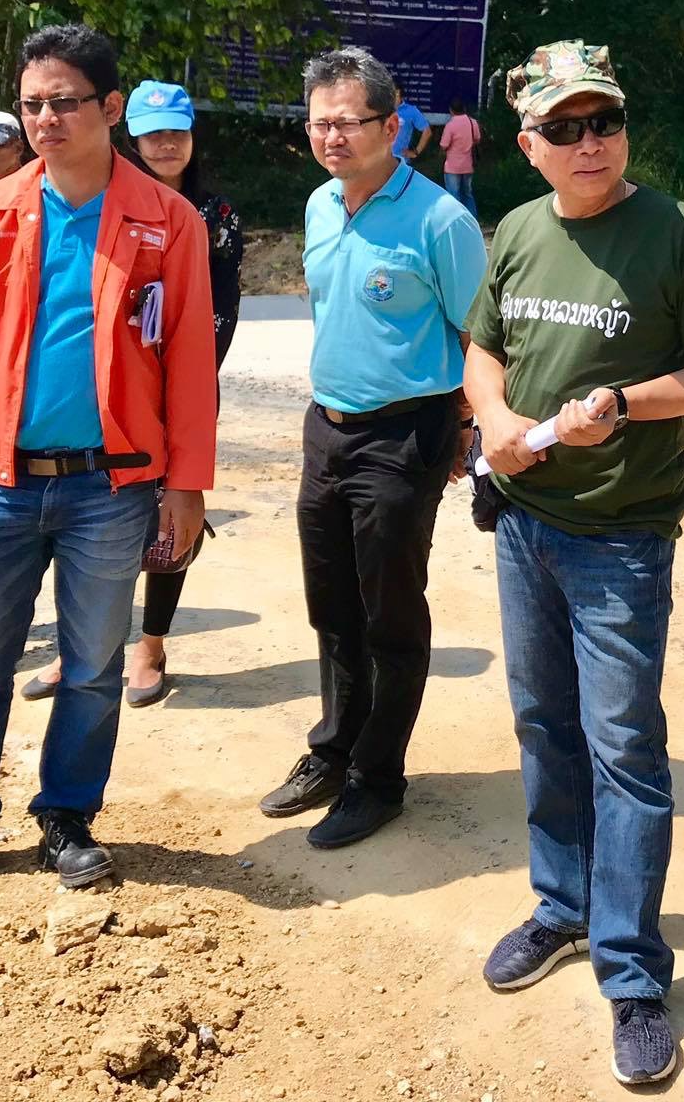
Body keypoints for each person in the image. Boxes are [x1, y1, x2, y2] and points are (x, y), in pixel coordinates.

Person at [464, 39, 684, 1089]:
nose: (590, 143)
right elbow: (483, 349)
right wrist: (495, 419)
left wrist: (626, 404)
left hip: (622, 538)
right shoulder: (516, 230)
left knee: (622, 748)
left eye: (605, 122)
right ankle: (561, 908)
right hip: (525, 522)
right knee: (541, 725)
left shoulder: (676, 232)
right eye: (565, 128)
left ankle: (631, 974)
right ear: (529, 145)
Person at [0, 24, 218, 903]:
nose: (45, 119)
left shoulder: (168, 220)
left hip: (109, 490)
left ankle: (67, 817)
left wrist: (186, 484)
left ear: (110, 109)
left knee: (92, 669)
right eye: (32, 103)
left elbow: (190, 362)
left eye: (64, 102)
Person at [257, 46, 485, 849]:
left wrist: (464, 427)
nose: (333, 136)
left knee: (389, 611)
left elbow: (480, 337)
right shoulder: (321, 205)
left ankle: (378, 778)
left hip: (404, 434)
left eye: (350, 121)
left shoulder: (440, 221)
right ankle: (335, 748)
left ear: (393, 128)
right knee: (332, 604)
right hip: (327, 428)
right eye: (320, 122)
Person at [23, 78, 245, 707]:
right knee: (89, 514)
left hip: (179, 389)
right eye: (153, 134)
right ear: (132, 136)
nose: (166, 144)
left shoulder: (216, 216)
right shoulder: (104, 200)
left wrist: (183, 385)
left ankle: (151, 643)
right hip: (106, 391)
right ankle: (80, 645)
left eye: (177, 132)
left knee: (171, 519)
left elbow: (221, 310)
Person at [439, 96, 481, 217]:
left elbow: (444, 145)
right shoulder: (472, 122)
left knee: (454, 195)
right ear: (464, 108)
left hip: (452, 167)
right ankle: (472, 218)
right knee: (467, 194)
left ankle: (456, 219)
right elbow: (477, 139)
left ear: (451, 110)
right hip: (468, 165)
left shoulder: (450, 125)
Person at [392, 81, 433, 164]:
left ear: (401, 96)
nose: (393, 98)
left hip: (400, 161)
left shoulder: (411, 111)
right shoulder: (380, 110)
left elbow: (427, 132)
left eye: (396, 95)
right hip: (379, 162)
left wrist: (416, 152)